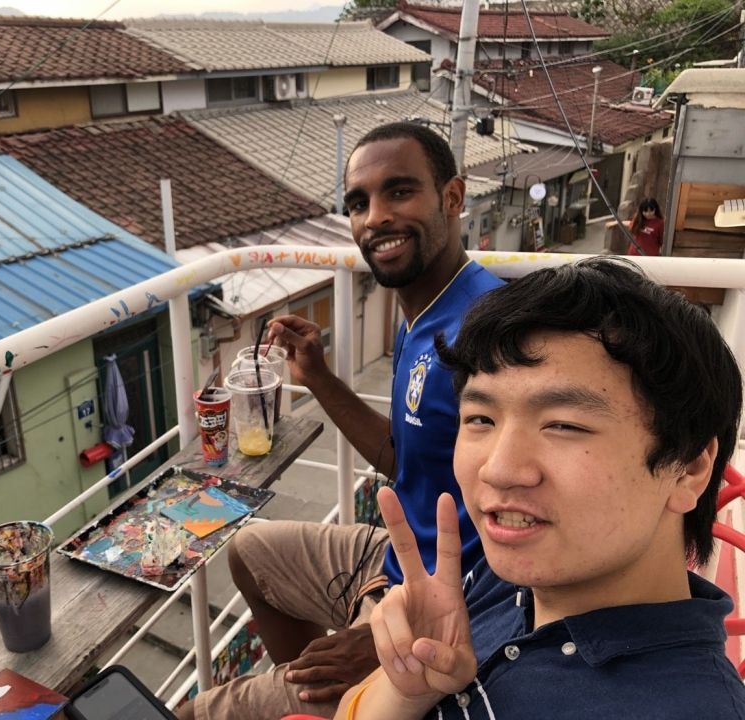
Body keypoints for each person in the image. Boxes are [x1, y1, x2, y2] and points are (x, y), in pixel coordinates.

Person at [177, 122, 503, 720]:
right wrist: (318, 376)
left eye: (399, 192)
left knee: (196, 713)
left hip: (439, 600)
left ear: (453, 198)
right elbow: (405, 460)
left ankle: (336, 694)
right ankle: (322, 697)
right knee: (248, 551)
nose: (374, 218)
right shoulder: (421, 312)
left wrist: (387, 639)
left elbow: (518, 543)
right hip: (394, 560)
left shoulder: (486, 336)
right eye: (359, 202)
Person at [336, 257, 745, 719]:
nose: (499, 469)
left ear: (688, 468)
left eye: (564, 425)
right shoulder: (516, 573)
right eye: (480, 419)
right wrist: (409, 691)